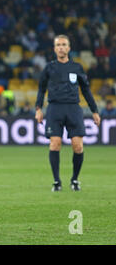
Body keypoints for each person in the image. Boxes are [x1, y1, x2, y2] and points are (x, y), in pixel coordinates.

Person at [35, 35, 101, 192]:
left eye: (64, 44)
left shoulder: (77, 68)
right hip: (54, 108)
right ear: (54, 48)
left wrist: (94, 111)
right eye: (58, 45)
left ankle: (75, 180)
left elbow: (86, 90)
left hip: (73, 108)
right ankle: (57, 181)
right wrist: (38, 109)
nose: (61, 47)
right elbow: (41, 89)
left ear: (69, 48)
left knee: (77, 146)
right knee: (55, 143)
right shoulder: (49, 68)